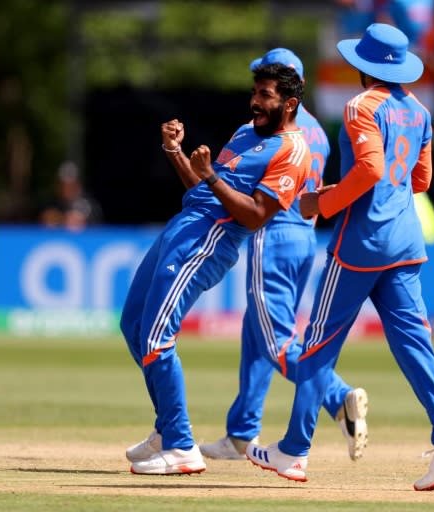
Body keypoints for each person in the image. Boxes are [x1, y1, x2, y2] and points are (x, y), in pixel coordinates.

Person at [245, 23, 434, 491]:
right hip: (406, 241)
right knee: (414, 344)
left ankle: (293, 450)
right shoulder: (418, 110)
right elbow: (420, 180)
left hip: (360, 245)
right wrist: (368, 191)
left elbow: (372, 167)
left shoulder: (359, 106)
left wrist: (325, 202)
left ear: (362, 66)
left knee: (316, 345)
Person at [121, 63, 311, 475]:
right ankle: (167, 427)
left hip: (211, 241)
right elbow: (204, 189)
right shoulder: (247, 132)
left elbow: (256, 215)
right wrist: (176, 152)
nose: (255, 102)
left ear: (290, 103)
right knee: (133, 324)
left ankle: (181, 446)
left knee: (156, 334)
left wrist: (210, 175)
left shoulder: (293, 151)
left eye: (266, 95)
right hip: (184, 226)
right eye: (255, 92)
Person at [198, 48, 369, 463]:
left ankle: (337, 396)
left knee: (275, 341)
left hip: (271, 235)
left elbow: (241, 184)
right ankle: (241, 434)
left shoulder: (266, 129)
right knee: (256, 331)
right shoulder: (318, 132)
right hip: (303, 239)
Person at [39, 161, 102, 230]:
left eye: (70, 185)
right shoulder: (52, 202)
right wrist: (62, 218)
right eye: (63, 185)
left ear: (77, 184)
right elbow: (46, 217)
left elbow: (94, 226)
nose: (66, 189)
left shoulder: (89, 204)